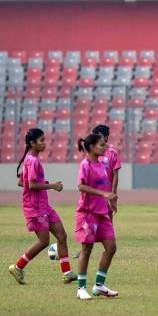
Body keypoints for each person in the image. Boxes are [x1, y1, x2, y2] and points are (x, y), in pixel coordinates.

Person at [8, 128, 77, 285]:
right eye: (41, 140)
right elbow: (31, 185)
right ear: (32, 143)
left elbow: (22, 182)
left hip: (44, 205)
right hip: (35, 207)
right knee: (44, 241)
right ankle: (17, 266)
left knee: (62, 236)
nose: (45, 143)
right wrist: (52, 185)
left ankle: (67, 273)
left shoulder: (30, 159)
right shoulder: (32, 161)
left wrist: (42, 184)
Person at [75, 134, 119, 300]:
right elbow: (81, 186)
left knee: (111, 248)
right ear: (92, 147)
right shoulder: (85, 165)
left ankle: (99, 285)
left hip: (102, 213)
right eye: (101, 145)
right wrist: (103, 193)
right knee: (86, 250)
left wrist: (110, 202)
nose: (104, 147)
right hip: (88, 214)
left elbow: (106, 187)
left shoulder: (101, 164)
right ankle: (81, 288)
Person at [92, 125, 121, 213]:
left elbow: (115, 175)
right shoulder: (91, 153)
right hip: (94, 195)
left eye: (99, 136)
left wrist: (113, 195)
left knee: (108, 222)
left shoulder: (112, 154)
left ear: (106, 137)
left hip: (107, 195)